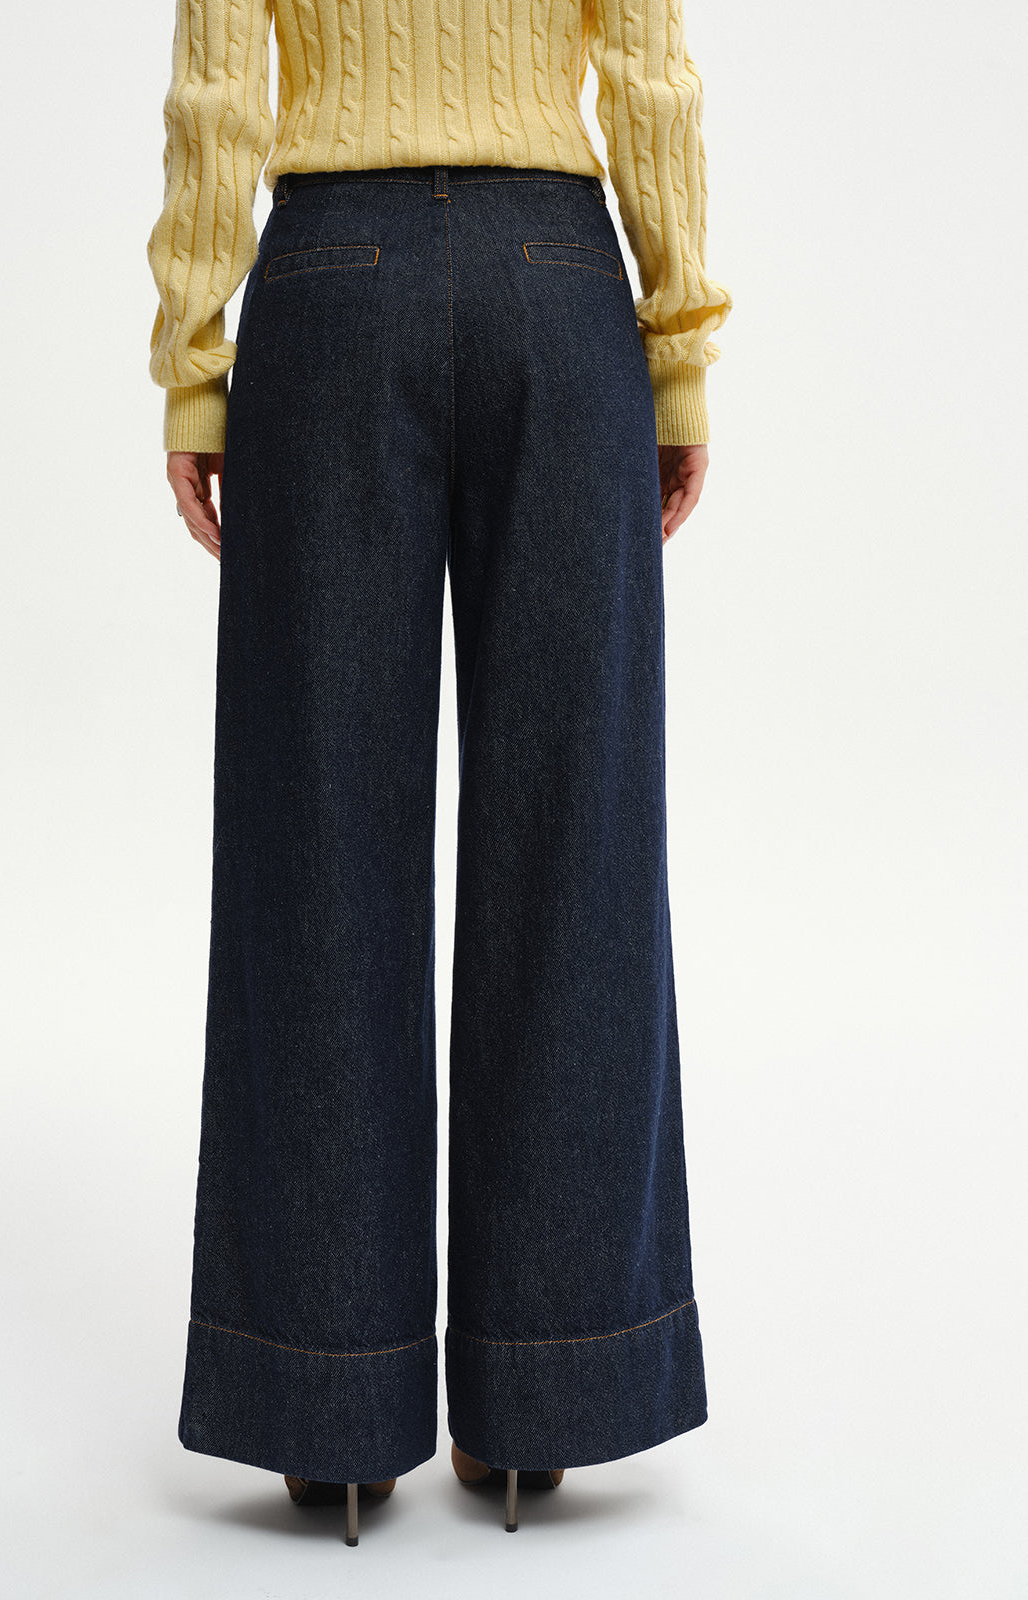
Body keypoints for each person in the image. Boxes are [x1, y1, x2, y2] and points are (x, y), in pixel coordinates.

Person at [146, 0, 731, 1548]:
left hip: (329, 289)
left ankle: (328, 1407)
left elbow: (218, 88)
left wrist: (195, 362)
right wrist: (677, 351)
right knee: (576, 839)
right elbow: (650, 75)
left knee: (316, 841)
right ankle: (552, 1390)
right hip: (560, 285)